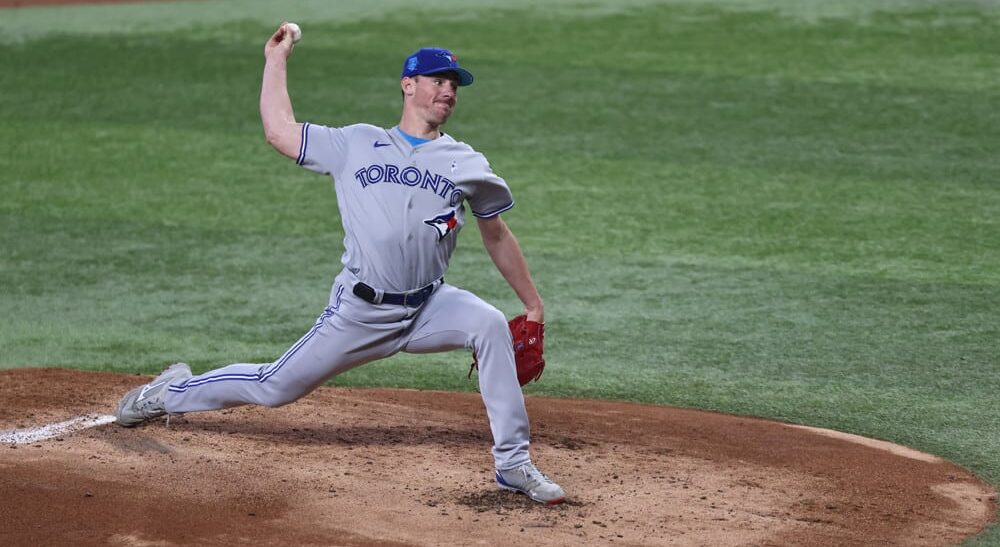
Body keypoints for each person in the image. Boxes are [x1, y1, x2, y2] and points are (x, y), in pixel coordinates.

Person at [114, 23, 566, 505]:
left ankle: (513, 463)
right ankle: (168, 393)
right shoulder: (357, 142)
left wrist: (532, 304)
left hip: (428, 306)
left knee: (491, 325)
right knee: (275, 386)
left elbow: (495, 233)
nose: (448, 90)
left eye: (454, 84)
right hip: (360, 312)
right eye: (438, 79)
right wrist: (276, 60)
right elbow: (279, 132)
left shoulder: (466, 162)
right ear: (408, 84)